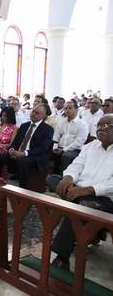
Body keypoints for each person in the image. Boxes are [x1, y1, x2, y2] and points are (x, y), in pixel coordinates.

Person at [49, 114, 113, 270]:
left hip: (105, 198)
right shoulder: (90, 147)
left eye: (107, 126)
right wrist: (68, 178)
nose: (101, 129)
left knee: (81, 206)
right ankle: (72, 196)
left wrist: (87, 190)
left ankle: (62, 257)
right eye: (99, 125)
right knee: (53, 179)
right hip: (78, 190)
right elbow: (76, 165)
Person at [0, 104, 54, 189]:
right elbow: (15, 142)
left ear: (43, 115)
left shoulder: (48, 129)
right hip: (18, 152)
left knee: (23, 160)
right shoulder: (24, 125)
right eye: (33, 112)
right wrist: (12, 150)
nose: (33, 114)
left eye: (37, 113)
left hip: (34, 156)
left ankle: (22, 190)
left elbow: (43, 149)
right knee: (0, 157)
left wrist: (24, 153)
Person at [51, 101, 89, 174]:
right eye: (65, 108)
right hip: (60, 147)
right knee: (49, 151)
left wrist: (64, 150)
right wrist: (55, 147)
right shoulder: (61, 122)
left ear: (76, 110)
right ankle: (52, 176)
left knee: (66, 156)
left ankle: (62, 177)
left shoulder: (82, 124)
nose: (67, 110)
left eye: (70, 108)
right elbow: (56, 136)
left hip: (75, 149)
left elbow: (79, 142)